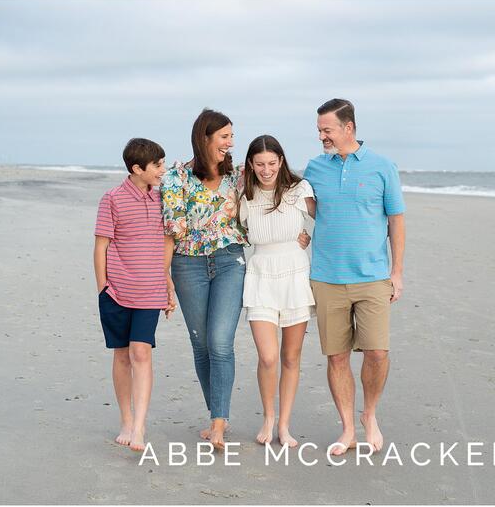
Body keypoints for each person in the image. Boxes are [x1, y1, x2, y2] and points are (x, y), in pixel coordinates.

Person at [303, 99, 406, 455]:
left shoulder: (382, 167)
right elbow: (301, 206)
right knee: (336, 357)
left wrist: (397, 272)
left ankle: (370, 415)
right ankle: (347, 427)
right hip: (327, 277)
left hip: (373, 276)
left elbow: (396, 221)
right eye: (319, 130)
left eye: (326, 130)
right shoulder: (314, 168)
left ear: (348, 128)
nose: (321, 136)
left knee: (377, 352)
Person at [160, 109, 247, 450]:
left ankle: (219, 424)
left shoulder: (239, 176)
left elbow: (276, 194)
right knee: (202, 344)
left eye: (231, 136)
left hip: (230, 261)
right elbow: (171, 232)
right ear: (205, 138)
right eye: (224, 136)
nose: (231, 143)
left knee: (221, 341)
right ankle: (216, 412)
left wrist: (299, 231)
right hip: (187, 265)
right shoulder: (176, 178)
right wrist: (164, 277)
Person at [93, 137, 176, 453]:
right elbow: (101, 246)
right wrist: (103, 289)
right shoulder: (112, 199)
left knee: (141, 353)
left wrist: (167, 286)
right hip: (116, 291)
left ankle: (139, 426)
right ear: (137, 168)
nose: (162, 170)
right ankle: (126, 419)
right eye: (157, 165)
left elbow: (168, 243)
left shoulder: (163, 199)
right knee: (122, 354)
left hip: (150, 291)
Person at [239, 135, 316, 448]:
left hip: (295, 274)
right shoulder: (245, 193)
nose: (266, 170)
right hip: (260, 275)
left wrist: (307, 237)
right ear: (251, 165)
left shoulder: (300, 190)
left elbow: (329, 219)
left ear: (281, 161)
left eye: (272, 163)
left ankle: (284, 425)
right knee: (268, 357)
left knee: (290, 357)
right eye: (260, 164)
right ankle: (268, 416)